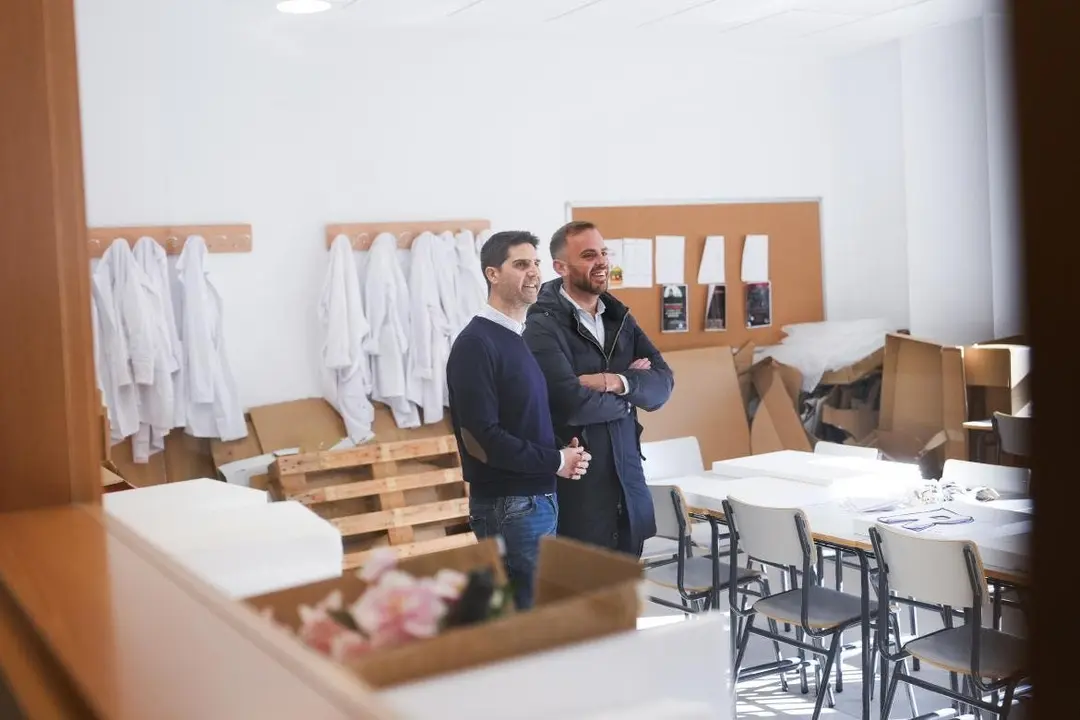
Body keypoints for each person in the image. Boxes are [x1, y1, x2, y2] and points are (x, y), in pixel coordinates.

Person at [445, 230, 590, 610]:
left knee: (537, 613)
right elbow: (483, 439)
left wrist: (560, 451)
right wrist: (556, 461)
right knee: (528, 618)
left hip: (533, 501)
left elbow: (520, 421)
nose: (534, 273)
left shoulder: (515, 338)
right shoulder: (477, 344)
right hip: (511, 505)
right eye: (521, 264)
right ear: (493, 274)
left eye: (536, 263)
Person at [522, 221, 674, 557]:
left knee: (624, 604)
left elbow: (663, 384)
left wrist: (612, 382)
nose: (602, 261)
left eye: (604, 252)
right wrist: (629, 396)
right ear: (561, 267)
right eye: (589, 255)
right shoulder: (542, 324)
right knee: (584, 602)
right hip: (581, 496)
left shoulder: (618, 317)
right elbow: (570, 402)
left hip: (628, 489)